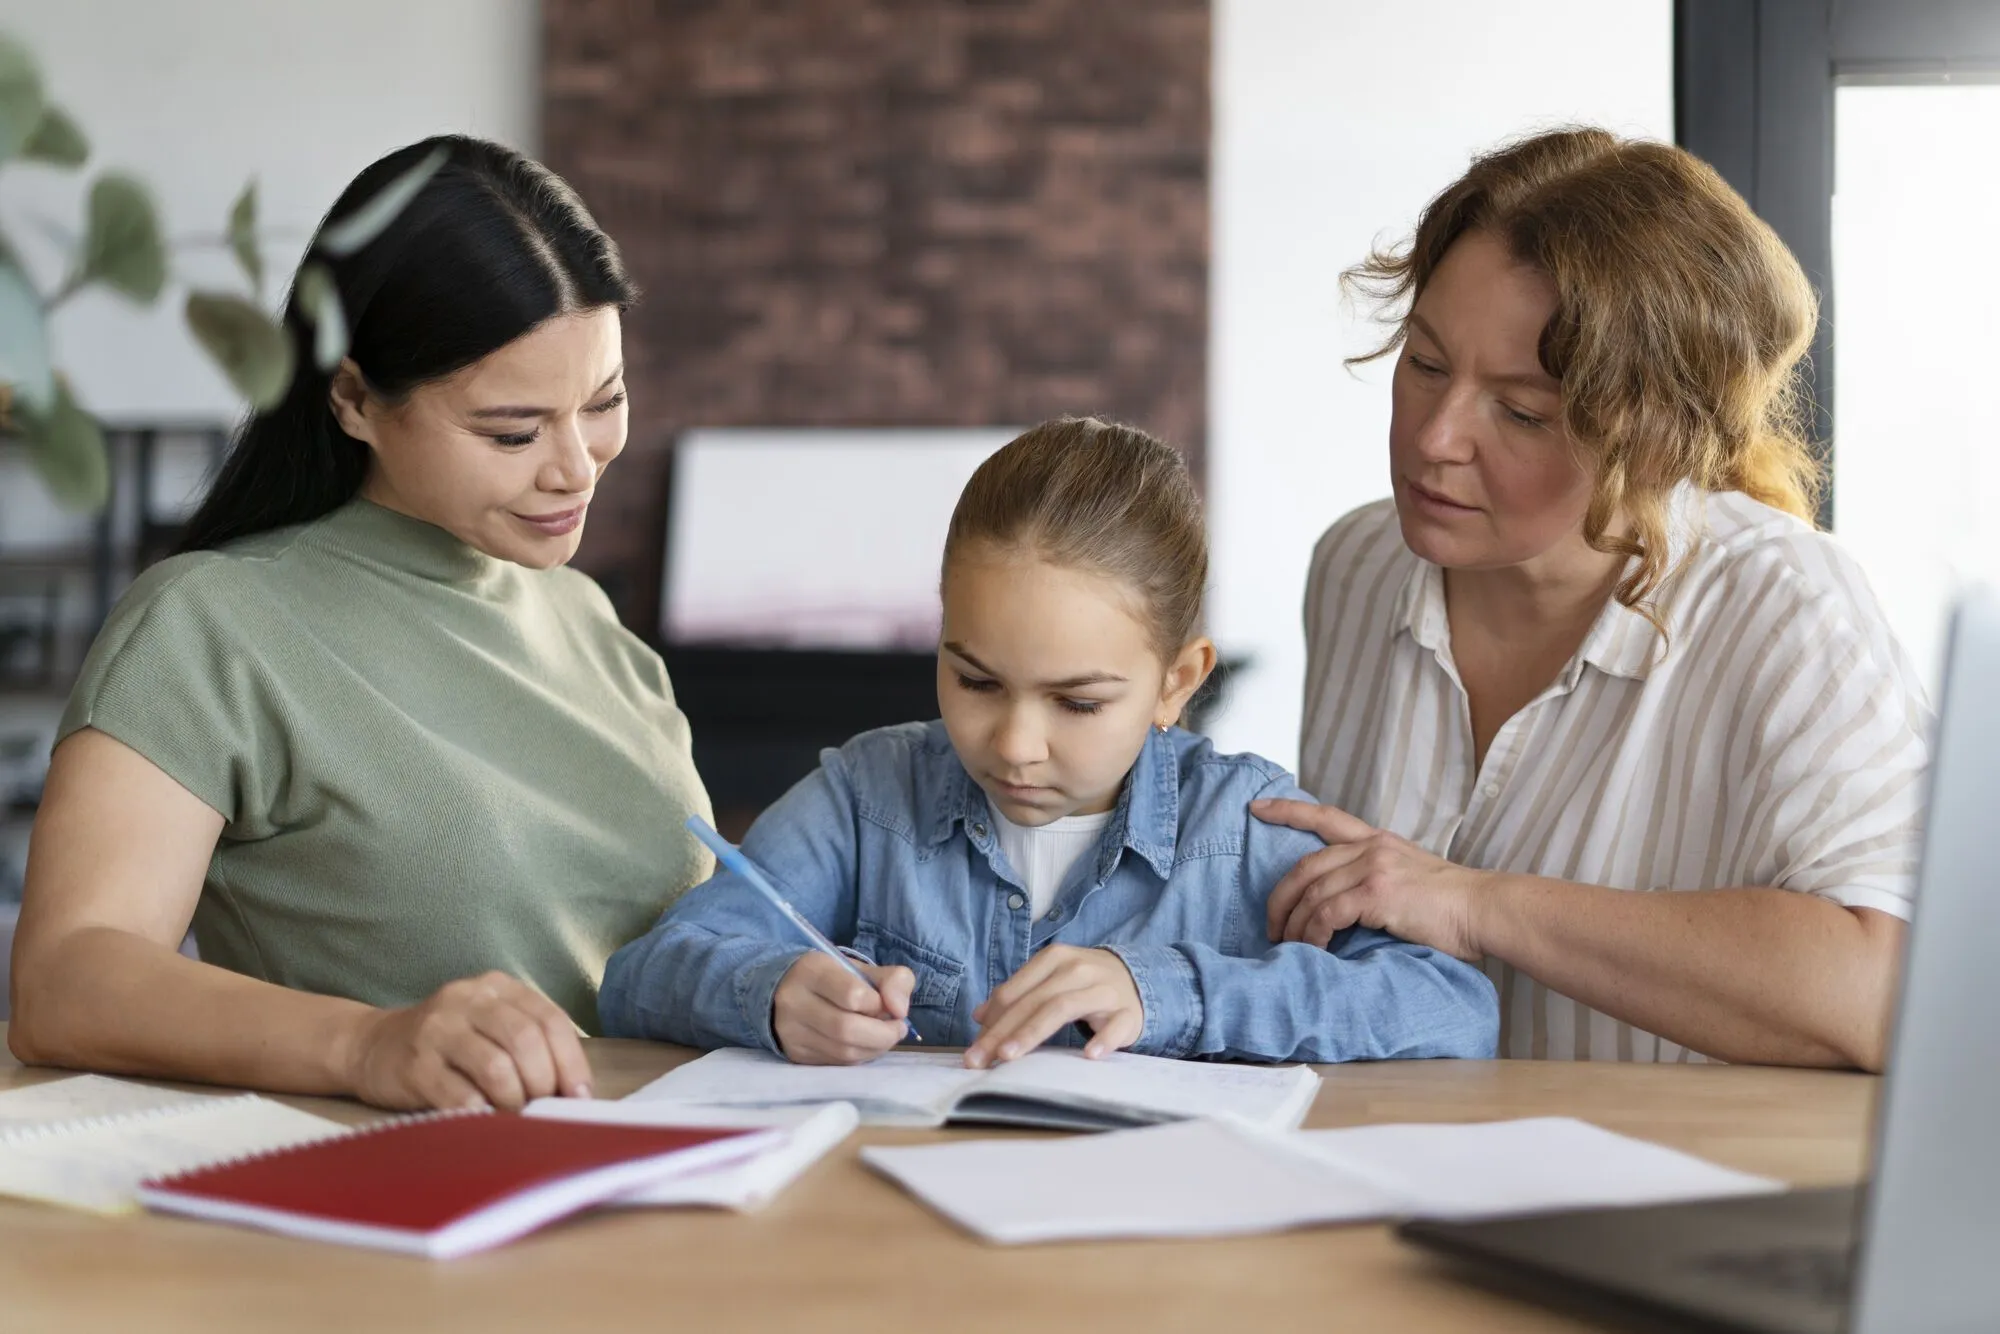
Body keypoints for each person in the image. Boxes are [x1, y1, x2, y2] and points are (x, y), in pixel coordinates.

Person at [8, 136, 713, 1110]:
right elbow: (64, 982)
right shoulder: (212, 625)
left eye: (603, 403)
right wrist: (369, 1044)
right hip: (394, 1209)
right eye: (511, 430)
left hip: (667, 1172)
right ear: (352, 398)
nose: (575, 467)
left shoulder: (587, 619)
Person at [1253, 128, 1929, 1070]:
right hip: (1386, 1181)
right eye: (1426, 362)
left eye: (1522, 411)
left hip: (1664, 1206)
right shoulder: (1356, 567)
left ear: (1656, 441)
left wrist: (1477, 901)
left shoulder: (1785, 605)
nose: (1436, 438)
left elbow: (1887, 994)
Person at [600, 418, 1497, 1067]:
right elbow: (642, 975)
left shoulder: (1243, 821)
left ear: (1178, 683)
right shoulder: (864, 798)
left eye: (1076, 702)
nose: (1016, 745)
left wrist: (1164, 990)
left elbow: (1453, 1010)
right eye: (976, 681)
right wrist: (774, 995)